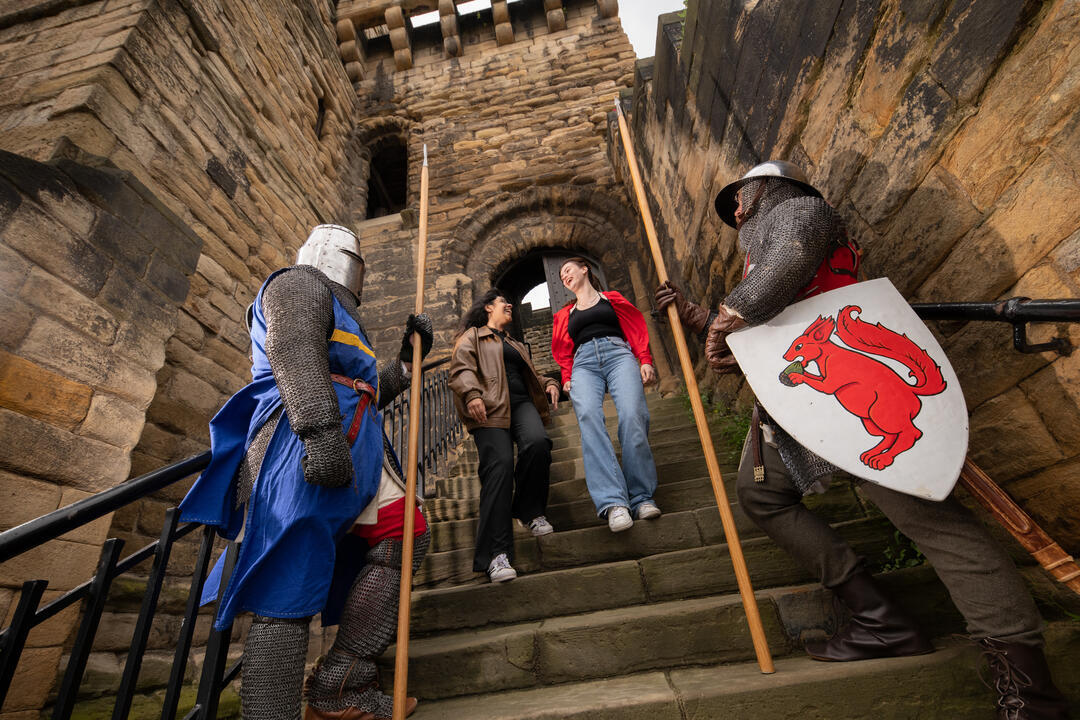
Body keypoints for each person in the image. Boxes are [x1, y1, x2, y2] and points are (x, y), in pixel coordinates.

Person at [657, 161, 1070, 720]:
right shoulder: (765, 250)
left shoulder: (802, 211)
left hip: (850, 404)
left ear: (769, 190)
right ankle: (881, 619)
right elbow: (773, 325)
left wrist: (731, 313)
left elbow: (792, 257)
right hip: (805, 407)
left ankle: (1031, 685)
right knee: (760, 494)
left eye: (741, 196)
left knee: (932, 522)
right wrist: (705, 319)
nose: (735, 210)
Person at [179, 224, 434, 720]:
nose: (355, 270)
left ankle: (342, 682)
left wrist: (404, 364)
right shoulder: (297, 284)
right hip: (297, 443)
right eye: (350, 258)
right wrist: (319, 434)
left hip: (360, 445)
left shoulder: (348, 319)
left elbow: (363, 388)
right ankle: (271, 713)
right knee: (288, 584)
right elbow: (294, 352)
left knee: (407, 533)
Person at [449, 289, 561, 582]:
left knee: (538, 444)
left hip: (523, 403)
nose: (509, 305)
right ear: (488, 308)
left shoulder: (515, 342)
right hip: (489, 409)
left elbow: (531, 375)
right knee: (498, 469)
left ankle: (529, 510)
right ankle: (496, 555)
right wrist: (472, 394)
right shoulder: (473, 336)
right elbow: (461, 367)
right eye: (503, 302)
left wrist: (549, 382)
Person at [551, 258, 660, 533]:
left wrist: (644, 358)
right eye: (561, 274)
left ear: (584, 269)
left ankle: (641, 497)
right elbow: (564, 350)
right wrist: (566, 378)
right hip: (583, 364)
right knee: (588, 418)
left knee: (633, 415)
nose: (564, 275)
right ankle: (614, 503)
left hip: (618, 354)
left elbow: (634, 326)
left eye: (568, 269)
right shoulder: (565, 314)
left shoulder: (610, 299)